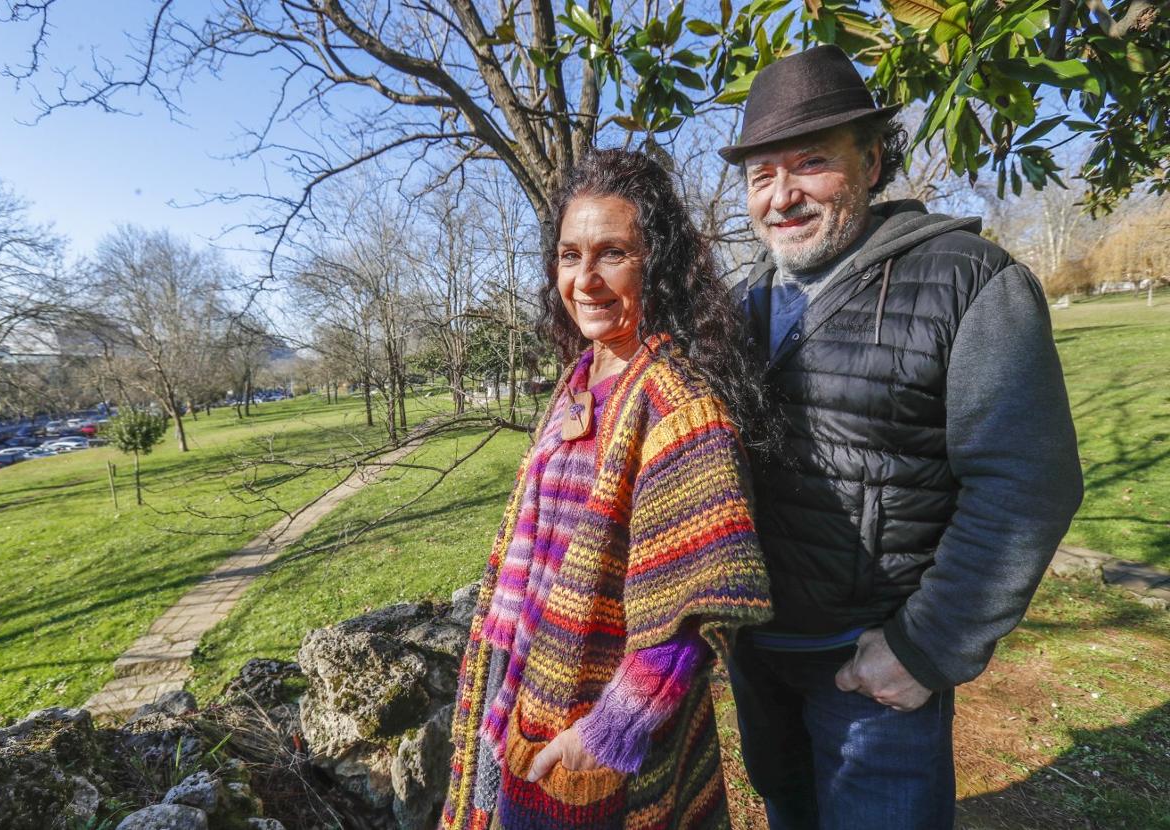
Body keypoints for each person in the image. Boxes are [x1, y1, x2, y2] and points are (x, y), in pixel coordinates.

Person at [718, 45, 1084, 829]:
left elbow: (1027, 483)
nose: (781, 196)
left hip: (870, 672)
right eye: (760, 174)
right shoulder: (738, 306)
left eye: (809, 163)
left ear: (873, 159)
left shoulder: (971, 281)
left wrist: (927, 649)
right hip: (762, 661)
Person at [440, 149, 776, 829]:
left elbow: (695, 612)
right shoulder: (581, 378)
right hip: (521, 692)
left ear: (657, 263)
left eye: (612, 253)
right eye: (569, 256)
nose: (585, 280)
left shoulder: (677, 406)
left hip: (592, 734)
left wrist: (607, 734)